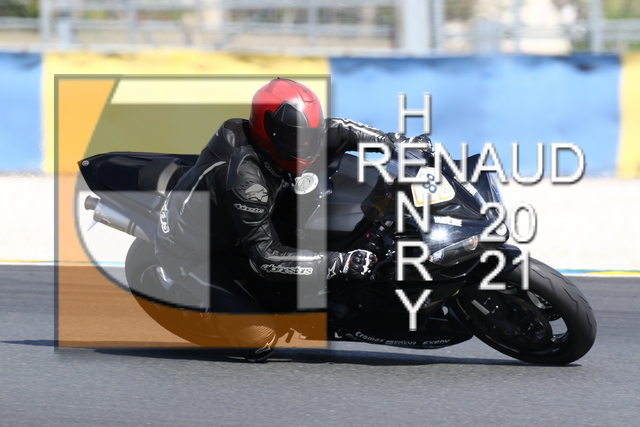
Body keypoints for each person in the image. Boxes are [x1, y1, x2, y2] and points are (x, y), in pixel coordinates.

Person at [154, 78, 431, 362]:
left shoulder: (296, 139)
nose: (307, 145)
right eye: (298, 138)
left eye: (310, 136)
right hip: (193, 251)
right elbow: (265, 256)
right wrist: (339, 262)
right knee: (259, 340)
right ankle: (188, 297)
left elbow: (341, 130)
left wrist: (395, 142)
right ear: (269, 131)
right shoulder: (246, 182)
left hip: (241, 223)